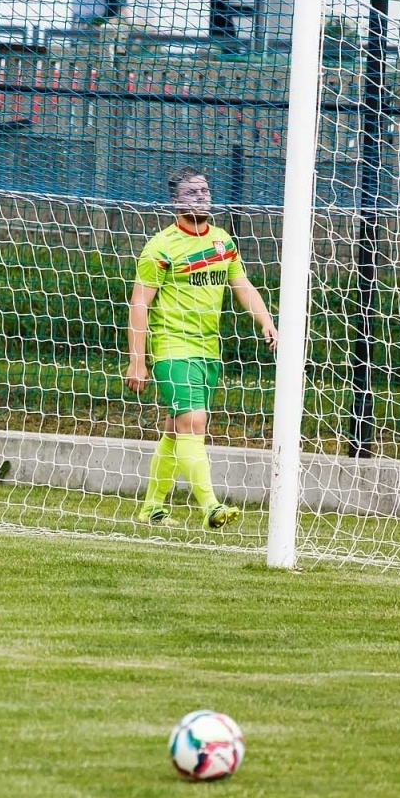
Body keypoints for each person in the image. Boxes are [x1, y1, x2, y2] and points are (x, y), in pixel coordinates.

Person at [125, 167, 278, 529]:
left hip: (207, 350)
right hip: (171, 348)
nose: (201, 197)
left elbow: (242, 286)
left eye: (205, 191)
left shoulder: (223, 242)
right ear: (175, 201)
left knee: (176, 429)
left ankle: (152, 507)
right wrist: (138, 361)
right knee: (194, 423)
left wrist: (267, 321)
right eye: (192, 193)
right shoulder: (160, 246)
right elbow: (139, 303)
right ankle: (211, 506)